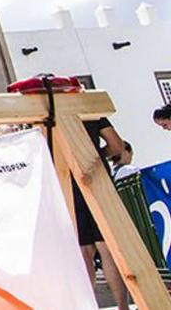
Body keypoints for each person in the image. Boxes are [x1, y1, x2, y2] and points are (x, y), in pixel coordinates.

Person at [73, 117, 129, 308]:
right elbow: (116, 145)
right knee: (107, 249)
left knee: (84, 252)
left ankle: (90, 306)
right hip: (98, 181)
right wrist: (96, 155)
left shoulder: (46, 111)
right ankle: (122, 306)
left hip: (69, 183)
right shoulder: (91, 110)